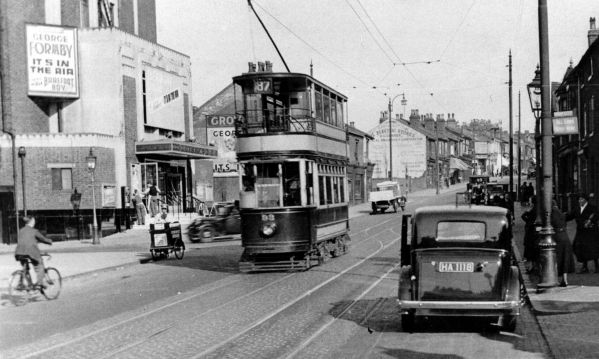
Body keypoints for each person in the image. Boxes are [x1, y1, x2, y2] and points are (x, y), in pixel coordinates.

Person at [14, 216, 53, 289]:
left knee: (25, 268)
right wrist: (49, 241)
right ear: (31, 222)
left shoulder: (21, 230)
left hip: (19, 253)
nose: (34, 222)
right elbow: (43, 239)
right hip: (31, 252)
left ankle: (29, 284)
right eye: (34, 221)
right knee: (39, 264)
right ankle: (40, 283)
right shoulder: (34, 231)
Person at [567, 193, 599, 273]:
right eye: (579, 199)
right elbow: (570, 216)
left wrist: (590, 221)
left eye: (581, 199)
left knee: (593, 248)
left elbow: (596, 215)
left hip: (591, 231)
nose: (580, 201)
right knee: (580, 248)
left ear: (586, 200)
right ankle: (585, 267)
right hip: (581, 231)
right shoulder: (577, 209)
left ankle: (597, 266)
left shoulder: (592, 207)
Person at [551, 200, 575, 286]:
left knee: (556, 258)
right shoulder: (562, 213)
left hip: (556, 237)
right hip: (565, 237)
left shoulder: (550, 214)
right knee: (565, 258)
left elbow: (547, 226)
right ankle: (565, 280)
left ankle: (556, 279)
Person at [522, 195, 539, 274]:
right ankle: (533, 267)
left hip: (532, 233)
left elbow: (523, 217)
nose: (529, 202)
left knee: (530, 250)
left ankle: (532, 267)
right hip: (532, 232)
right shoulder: (534, 209)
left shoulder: (533, 210)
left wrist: (527, 213)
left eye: (530, 201)